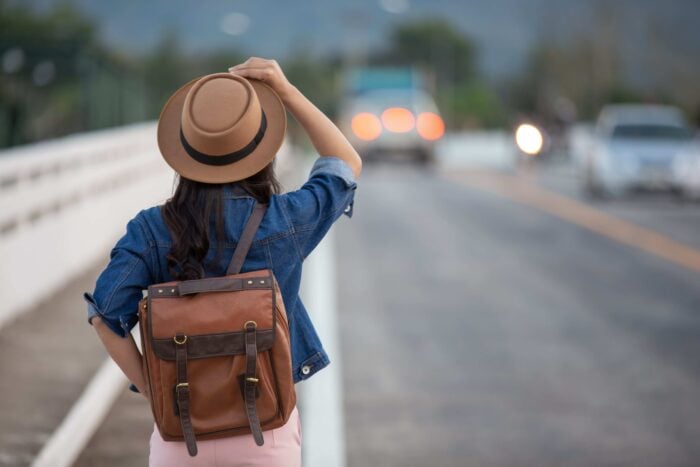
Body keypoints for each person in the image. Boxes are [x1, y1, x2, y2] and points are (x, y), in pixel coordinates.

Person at [83, 57, 362, 466]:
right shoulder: (285, 220)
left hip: (180, 432)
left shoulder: (150, 229)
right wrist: (285, 90)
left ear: (185, 150)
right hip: (265, 430)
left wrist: (154, 390)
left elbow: (105, 315)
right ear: (262, 149)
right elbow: (345, 163)